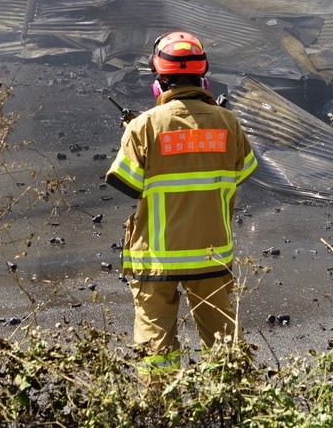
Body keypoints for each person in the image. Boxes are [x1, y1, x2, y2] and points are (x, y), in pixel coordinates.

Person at [106, 30, 257, 378]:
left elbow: (127, 185)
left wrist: (132, 135)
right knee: (224, 346)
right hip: (212, 253)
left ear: (159, 81)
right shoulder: (229, 123)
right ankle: (233, 405)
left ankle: (159, 407)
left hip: (157, 256)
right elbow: (243, 171)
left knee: (154, 346)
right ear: (203, 76)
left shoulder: (143, 127)